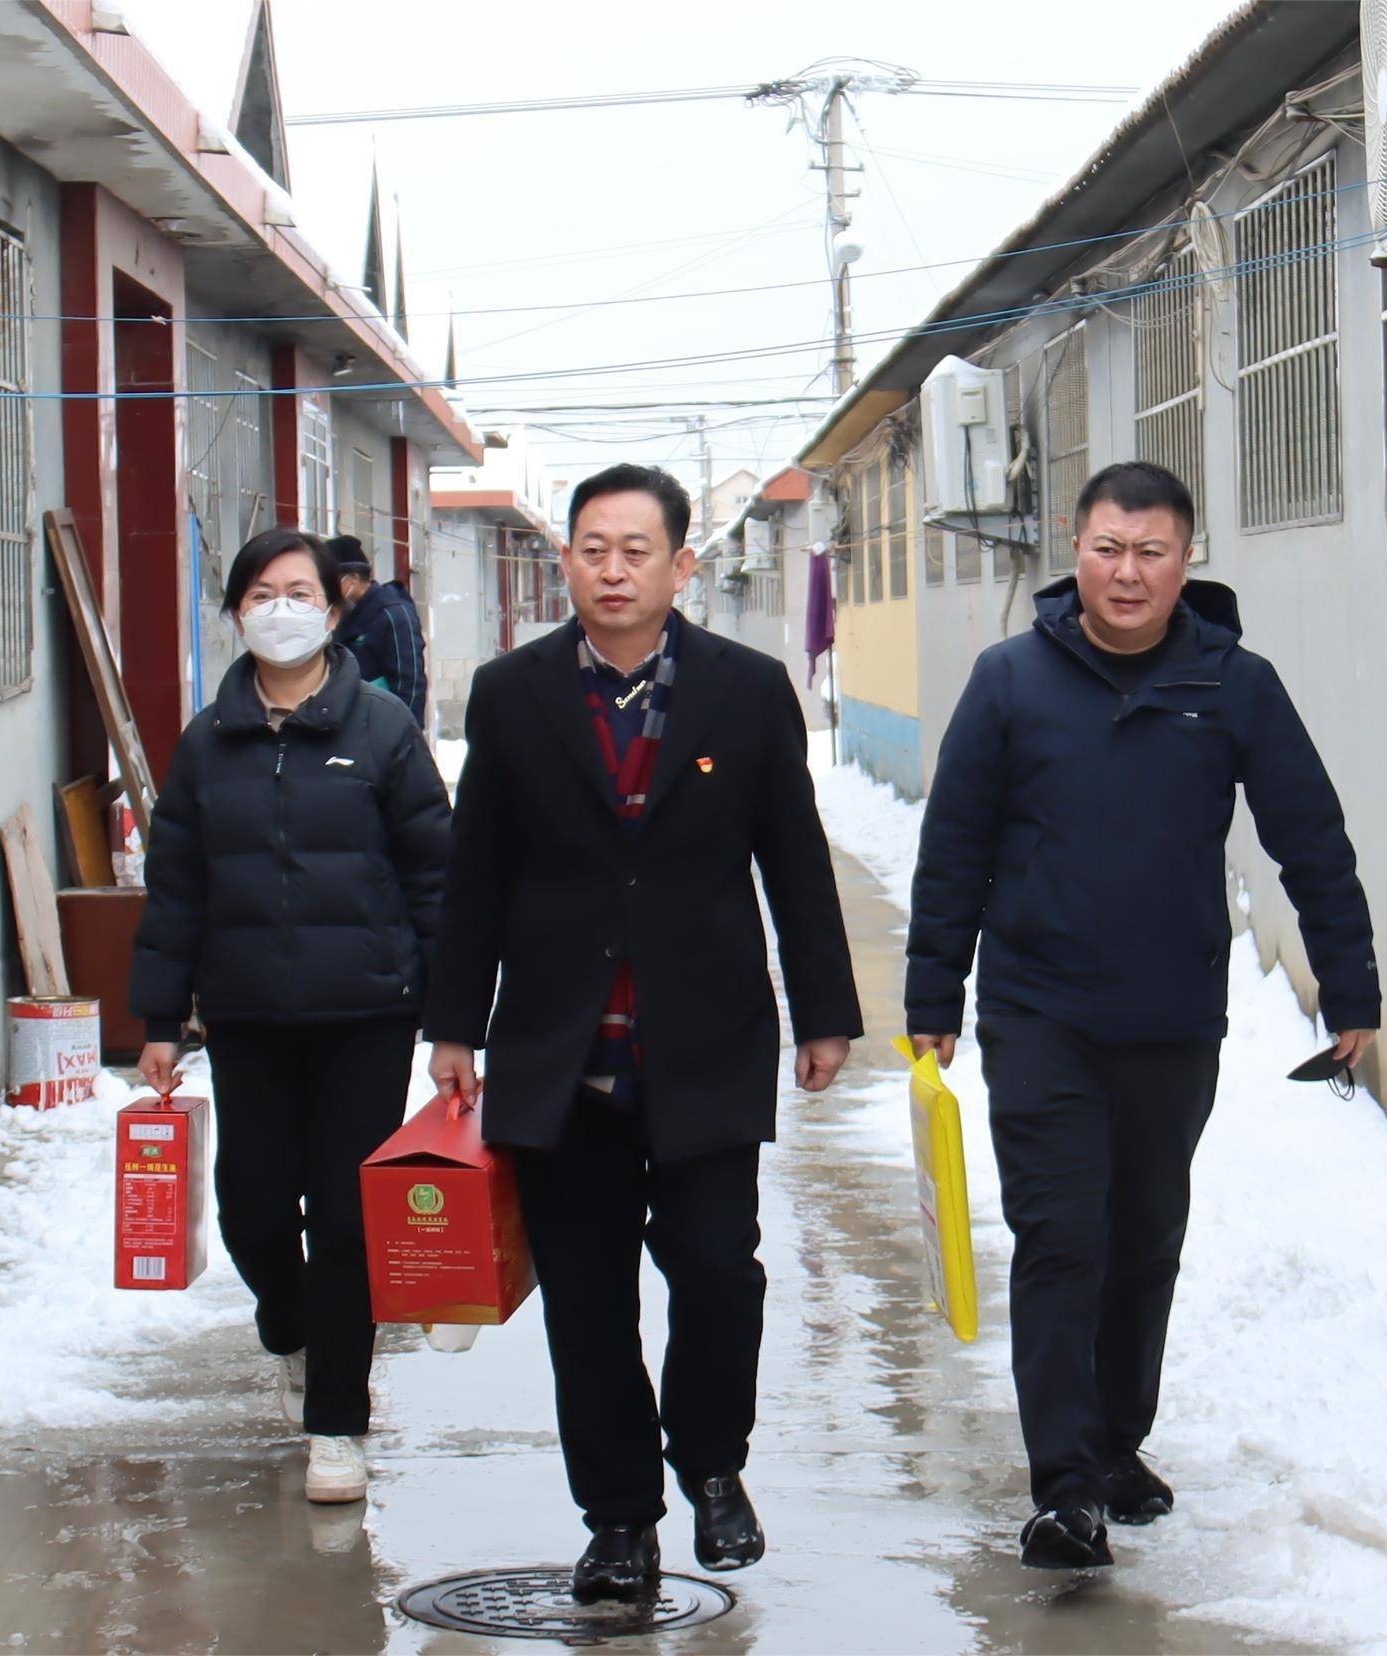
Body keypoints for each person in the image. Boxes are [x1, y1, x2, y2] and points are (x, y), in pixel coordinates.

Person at [905, 461, 1379, 1571]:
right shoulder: (1010, 681)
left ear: (1185, 561)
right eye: (1109, 548)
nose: (1128, 571)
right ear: (1076, 552)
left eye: (1151, 551)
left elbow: (1310, 836)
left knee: (1144, 1238)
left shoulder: (1234, 686)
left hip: (1172, 1018)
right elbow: (953, 851)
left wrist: (1348, 986)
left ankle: (1117, 1440)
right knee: (1062, 1235)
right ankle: (1065, 1486)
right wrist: (936, 994)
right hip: (1039, 1012)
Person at [424, 463, 861, 1602]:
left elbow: (796, 863)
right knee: (588, 1295)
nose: (611, 569)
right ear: (566, 559)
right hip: (564, 1050)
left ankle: (712, 1466)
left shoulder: (745, 690)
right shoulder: (513, 694)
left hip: (705, 1038)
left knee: (721, 1270)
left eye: (635, 550)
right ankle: (618, 1519)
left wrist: (825, 1012)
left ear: (680, 565)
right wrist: (454, 1025)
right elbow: (477, 873)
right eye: (591, 548)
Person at [130, 526, 451, 1507]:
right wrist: (156, 1017)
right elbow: (176, 887)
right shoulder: (207, 741)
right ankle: (291, 1322)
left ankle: (338, 1425)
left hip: (366, 1013)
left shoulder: (383, 731)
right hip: (249, 1016)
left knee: (348, 1217)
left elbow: (436, 877)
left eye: (300, 590)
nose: (282, 607)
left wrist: (452, 1022)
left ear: (332, 606)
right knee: (255, 1211)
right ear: (236, 612)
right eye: (262, 592)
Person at [326, 534, 428, 729]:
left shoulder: (393, 613)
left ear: (353, 579)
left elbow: (411, 683)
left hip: (383, 725)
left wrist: (405, 733)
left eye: (331, 581)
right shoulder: (345, 614)